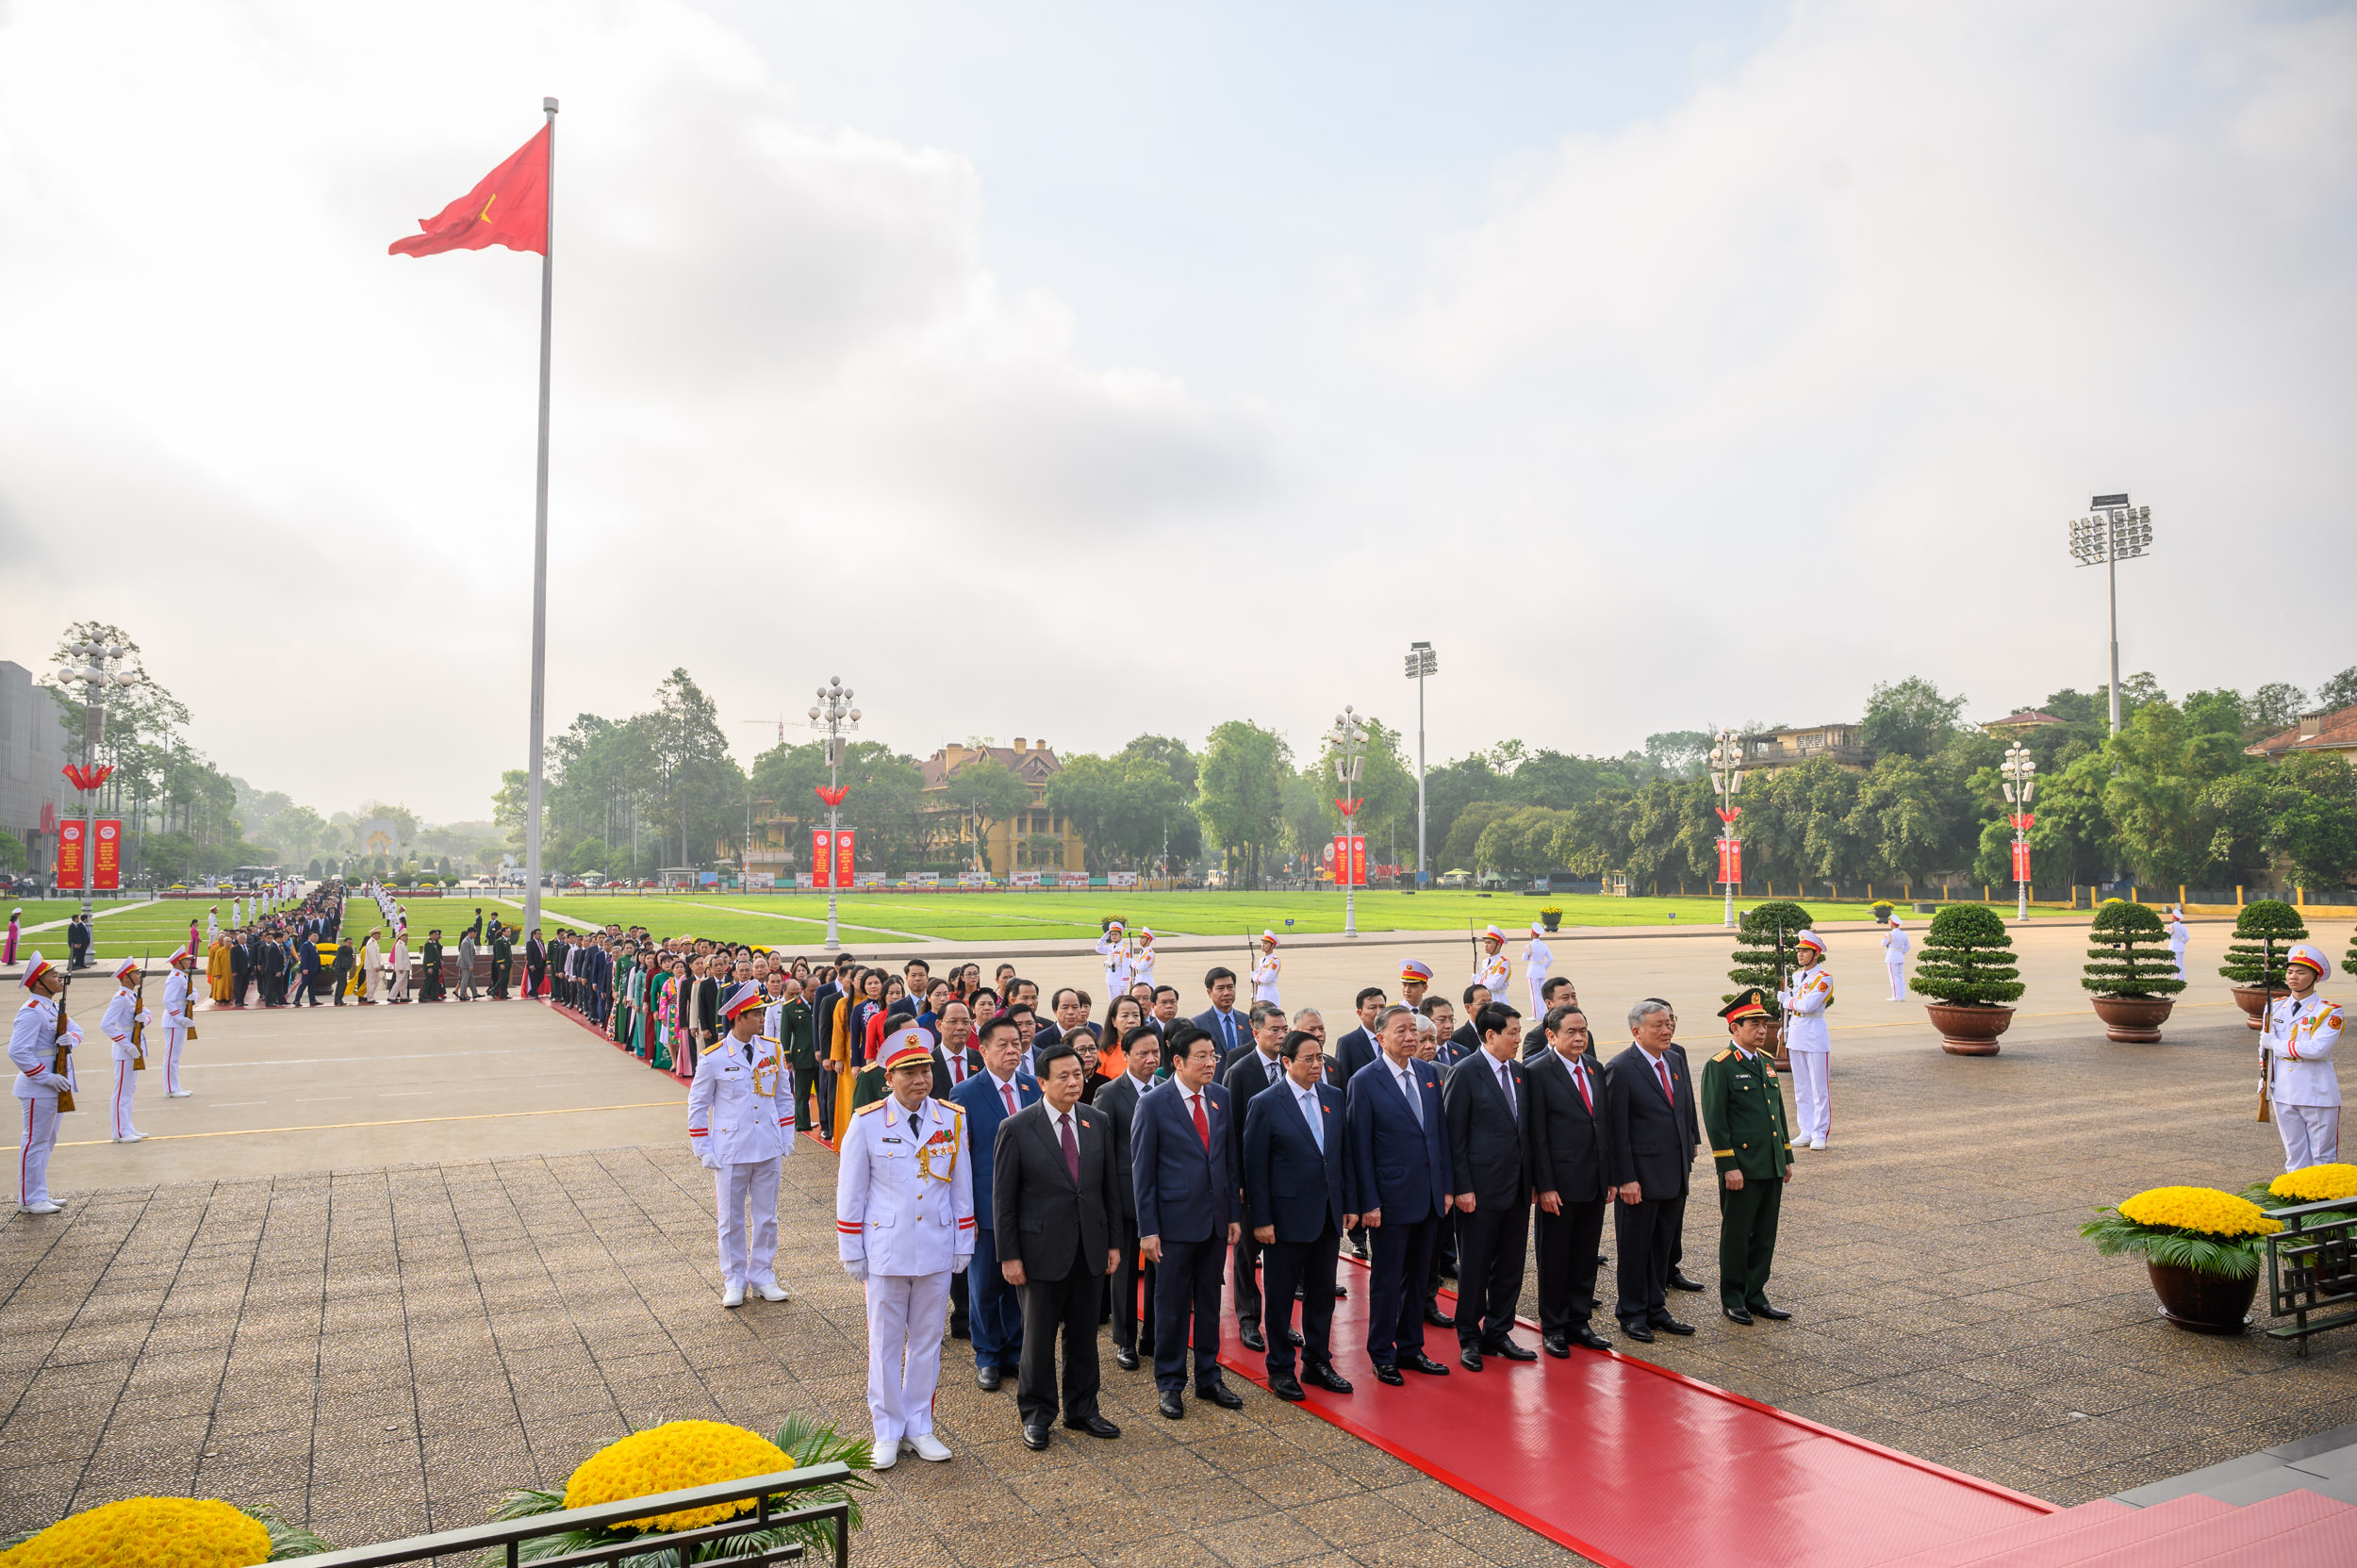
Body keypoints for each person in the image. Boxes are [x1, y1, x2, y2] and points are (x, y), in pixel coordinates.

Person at [836, 1028, 973, 1469]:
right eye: (910, 1072)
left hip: (935, 1242)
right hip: (887, 1248)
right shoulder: (869, 1121)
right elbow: (852, 1191)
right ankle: (887, 1430)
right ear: (889, 1077)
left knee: (928, 1342)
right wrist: (851, 1248)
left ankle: (919, 1425)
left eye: (925, 1070)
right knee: (885, 1343)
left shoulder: (950, 1118)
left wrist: (963, 1239)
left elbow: (961, 1184)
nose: (921, 1079)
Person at [992, 1041, 1122, 1451]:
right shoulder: (1016, 1127)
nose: (1073, 1082)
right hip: (1039, 1252)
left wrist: (1114, 1244)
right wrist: (1009, 1256)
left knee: (1084, 1335)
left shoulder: (1096, 1120)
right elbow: (1004, 1201)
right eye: (1063, 1076)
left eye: (1078, 1074)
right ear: (1042, 1081)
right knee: (1038, 1338)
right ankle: (1036, 1415)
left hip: (1089, 1248)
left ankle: (1083, 1409)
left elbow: (1109, 1189)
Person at [1132, 1023, 1244, 1417]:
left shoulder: (1220, 1097)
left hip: (1214, 1221)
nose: (1210, 1062)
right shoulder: (1153, 1103)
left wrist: (1232, 1214)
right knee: (1172, 1306)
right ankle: (1170, 1382)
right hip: (1174, 1224)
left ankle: (1209, 1377)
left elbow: (1228, 1160)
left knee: (1211, 1303)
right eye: (1201, 1056)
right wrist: (1148, 1230)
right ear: (1177, 1062)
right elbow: (1142, 1172)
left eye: (1212, 1055)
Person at [1243, 1028, 1356, 1401]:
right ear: (1286, 1062)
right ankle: (1280, 1368)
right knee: (1279, 1296)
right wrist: (1261, 1220)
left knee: (1322, 1293)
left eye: (1320, 1057)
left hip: (1326, 1214)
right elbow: (1254, 1167)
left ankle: (1317, 1361)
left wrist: (1349, 1204)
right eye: (1307, 1059)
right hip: (1284, 1218)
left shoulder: (1333, 1097)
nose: (1316, 1065)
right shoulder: (1265, 1102)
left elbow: (1342, 1157)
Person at [1345, 1004, 1455, 1385]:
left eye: (1414, 1030)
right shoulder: (1365, 1080)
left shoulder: (1427, 1073)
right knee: (1388, 1280)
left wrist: (1445, 1188)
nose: (1411, 1038)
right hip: (1389, 1200)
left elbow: (1438, 1136)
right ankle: (1381, 1352)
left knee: (1421, 1277)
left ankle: (1411, 1348)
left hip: (1428, 1196)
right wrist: (1368, 1202)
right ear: (1381, 1038)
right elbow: (1360, 1147)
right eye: (1402, 1032)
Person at [686, 981, 793, 1309]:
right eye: (755, 1014)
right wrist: (703, 1147)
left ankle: (762, 1275)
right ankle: (734, 1279)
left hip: (768, 1145)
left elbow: (783, 1097)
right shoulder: (714, 1057)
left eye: (761, 1013)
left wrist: (787, 1137)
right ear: (737, 1018)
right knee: (730, 1220)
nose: (762, 1019)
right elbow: (698, 1104)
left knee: (766, 1217)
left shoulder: (771, 1050)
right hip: (731, 1148)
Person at [948, 1015, 1040, 1391]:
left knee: (1020, 1284)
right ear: (982, 1050)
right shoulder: (965, 1094)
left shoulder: (1034, 1088)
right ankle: (986, 1354)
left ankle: (1015, 1350)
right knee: (985, 1284)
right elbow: (961, 1159)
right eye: (1002, 1044)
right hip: (985, 1205)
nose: (1011, 1050)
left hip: (1030, 1204)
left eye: (1016, 1043)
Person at [1444, 1002, 1535, 1369]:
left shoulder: (1519, 1073)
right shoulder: (1465, 1072)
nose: (1518, 1039)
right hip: (1478, 1191)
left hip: (1515, 1188)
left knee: (1511, 1265)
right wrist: (1462, 1186)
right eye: (1512, 1032)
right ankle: (1469, 1335)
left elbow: (1525, 1132)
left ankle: (1499, 1330)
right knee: (1476, 1266)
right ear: (1491, 1034)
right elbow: (1455, 1136)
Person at [1604, 998, 1700, 1344]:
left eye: (1669, 1022)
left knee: (1662, 1246)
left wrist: (1690, 1147)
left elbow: (1684, 1109)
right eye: (1658, 1025)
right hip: (1639, 1178)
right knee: (1635, 1248)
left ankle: (1656, 1307)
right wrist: (1624, 1177)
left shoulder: (1674, 1059)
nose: (1666, 1029)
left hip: (1673, 1172)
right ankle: (1631, 1312)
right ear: (1636, 1030)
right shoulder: (1621, 1067)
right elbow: (1615, 1131)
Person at [1701, 989, 1796, 1326]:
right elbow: (1716, 1120)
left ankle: (1756, 1294)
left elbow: (1778, 1114)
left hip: (1768, 1163)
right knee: (1738, 1234)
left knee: (1765, 1234)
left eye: (1764, 1024)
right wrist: (1728, 1166)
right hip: (1741, 1166)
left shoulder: (1767, 1064)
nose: (1761, 1030)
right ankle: (1733, 1297)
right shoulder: (1721, 1066)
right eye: (1753, 1023)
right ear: (1734, 1028)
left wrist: (1785, 1157)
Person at [1525, 1002, 1614, 1355]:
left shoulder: (1594, 1067)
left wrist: (1609, 1176)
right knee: (1556, 1257)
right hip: (1558, 1184)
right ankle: (1555, 1326)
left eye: (1583, 1031)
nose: (1579, 1038)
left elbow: (1602, 1126)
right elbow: (1536, 1134)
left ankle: (1579, 1321)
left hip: (1593, 1180)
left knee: (1584, 1256)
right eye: (1571, 1032)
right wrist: (1544, 1185)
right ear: (1551, 1035)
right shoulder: (1536, 1071)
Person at [1096, 1025, 1161, 1372]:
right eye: (1142, 1054)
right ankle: (1125, 1340)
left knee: (1158, 1269)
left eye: (1155, 1053)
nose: (1151, 1060)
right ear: (1125, 1055)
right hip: (1123, 1197)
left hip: (1160, 1197)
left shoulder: (1166, 1090)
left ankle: (1152, 1333)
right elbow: (1101, 1151)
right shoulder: (1110, 1093)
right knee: (1122, 1275)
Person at [2266, 945, 2343, 1171]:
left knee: (2323, 1159)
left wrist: (2277, 1045)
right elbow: (2265, 1051)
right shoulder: (2274, 1007)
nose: (2293, 977)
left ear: (2315, 978)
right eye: (2290, 972)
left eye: (2300, 973)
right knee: (2294, 1157)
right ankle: (2297, 1202)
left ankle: (2324, 1205)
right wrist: (2265, 1083)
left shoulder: (2329, 1012)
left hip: (2315, 1091)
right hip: (2284, 1090)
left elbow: (2317, 1049)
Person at [11, 954, 78, 1214]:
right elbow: (18, 1052)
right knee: (35, 1141)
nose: (58, 978)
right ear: (38, 983)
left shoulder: (51, 1007)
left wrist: (69, 1037)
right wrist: (45, 1077)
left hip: (56, 1083)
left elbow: (78, 1031)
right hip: (39, 1086)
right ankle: (30, 1199)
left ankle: (39, 1193)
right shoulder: (30, 1012)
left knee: (47, 1140)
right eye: (52, 975)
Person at [1780, 931, 1833, 1149]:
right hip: (1797, 1032)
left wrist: (1787, 1001)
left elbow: (1808, 1005)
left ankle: (1820, 1133)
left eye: (1805, 951)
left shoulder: (1824, 979)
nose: (1800, 954)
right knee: (1801, 1087)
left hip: (1815, 1033)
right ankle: (1806, 1130)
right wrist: (1785, 1027)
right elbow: (1796, 1007)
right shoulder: (1795, 976)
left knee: (1819, 1088)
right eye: (1799, 951)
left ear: (1816, 954)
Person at [101, 955, 148, 1144]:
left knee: (130, 1089)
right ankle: (119, 1132)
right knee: (122, 1091)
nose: (139, 975)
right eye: (136, 973)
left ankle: (127, 1127)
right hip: (125, 1050)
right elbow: (106, 1025)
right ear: (126, 977)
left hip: (135, 1045)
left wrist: (145, 1019)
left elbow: (147, 1014)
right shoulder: (120, 998)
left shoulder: (132, 995)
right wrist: (127, 1045)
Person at [1327, 986, 1385, 1092]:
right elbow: (1343, 1081)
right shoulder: (1348, 1043)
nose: (1379, 1012)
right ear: (1360, 1013)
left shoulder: (1392, 1039)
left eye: (1382, 1007)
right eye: (1373, 1007)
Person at [1191, 966, 1251, 1063]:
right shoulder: (1198, 1024)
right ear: (1209, 993)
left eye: (1230, 987)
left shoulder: (1247, 1021)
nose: (1226, 993)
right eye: (1220, 988)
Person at [157, 946, 194, 1100]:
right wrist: (179, 1018)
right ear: (179, 962)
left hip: (179, 1020)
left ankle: (176, 1086)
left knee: (175, 1056)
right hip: (174, 1022)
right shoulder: (175, 978)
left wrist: (193, 997)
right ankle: (171, 1088)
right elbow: (168, 1001)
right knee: (171, 1057)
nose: (189, 961)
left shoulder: (182, 976)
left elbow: (194, 992)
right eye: (186, 959)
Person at [1522, 923, 1555, 1020]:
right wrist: (1544, 967)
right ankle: (1543, 1014)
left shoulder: (1529, 945)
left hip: (1533, 970)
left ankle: (1536, 1016)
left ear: (1532, 933)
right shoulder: (1544, 945)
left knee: (1534, 994)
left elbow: (1524, 958)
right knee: (1541, 994)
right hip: (1541, 970)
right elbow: (1550, 958)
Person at [1095, 920, 1131, 1002]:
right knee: (1112, 1002)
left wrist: (1124, 983)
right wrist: (1104, 937)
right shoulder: (1111, 946)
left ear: (1120, 935)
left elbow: (1126, 967)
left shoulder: (1124, 949)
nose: (1114, 936)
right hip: (1110, 978)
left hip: (1119, 980)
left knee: (1119, 1003)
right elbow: (1098, 949)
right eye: (1112, 934)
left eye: (1116, 934)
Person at [1473, 924, 1509, 1000]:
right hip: (1486, 1000)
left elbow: (1494, 985)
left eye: (1489, 943)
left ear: (1498, 945)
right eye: (1485, 942)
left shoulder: (1503, 963)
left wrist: (1477, 979)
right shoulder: (1485, 962)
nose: (1486, 945)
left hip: (1498, 1000)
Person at [1882, 916, 1910, 1001]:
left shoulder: (1889, 934)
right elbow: (1908, 946)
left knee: (1894, 978)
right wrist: (1901, 953)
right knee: (1900, 976)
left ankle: (1895, 996)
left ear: (1892, 925)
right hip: (1900, 956)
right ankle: (1901, 996)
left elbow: (1883, 943)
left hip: (1892, 957)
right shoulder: (1904, 934)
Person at [1250, 930, 1281, 1006]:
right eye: (1262, 943)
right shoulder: (1262, 959)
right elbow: (1258, 974)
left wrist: (1255, 977)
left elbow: (1266, 979)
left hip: (1269, 993)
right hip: (1260, 991)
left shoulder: (1274, 961)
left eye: (1266, 943)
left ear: (1272, 946)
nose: (1263, 945)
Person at [329, 937, 355, 1006]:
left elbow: (337, 957)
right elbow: (351, 951)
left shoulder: (343, 949)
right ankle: (339, 999)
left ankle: (337, 999)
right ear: (345, 942)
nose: (350, 944)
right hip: (340, 969)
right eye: (349, 943)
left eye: (351, 943)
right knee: (343, 984)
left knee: (340, 984)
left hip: (342, 969)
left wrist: (332, 963)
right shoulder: (342, 948)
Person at [455, 927, 479, 1001]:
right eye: (474, 933)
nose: (475, 935)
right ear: (469, 933)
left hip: (468, 963)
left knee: (471, 979)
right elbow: (466, 955)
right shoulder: (466, 942)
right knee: (465, 980)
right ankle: (462, 995)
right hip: (466, 964)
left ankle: (475, 993)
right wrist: (470, 964)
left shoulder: (469, 940)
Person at [2167, 907, 2190, 982]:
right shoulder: (2183, 926)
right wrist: (2181, 943)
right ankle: (2182, 978)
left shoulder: (2171, 926)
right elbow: (2187, 937)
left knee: (2175, 964)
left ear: (2174, 917)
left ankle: (2177, 979)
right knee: (2180, 963)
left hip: (2174, 946)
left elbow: (2167, 935)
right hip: (2181, 946)